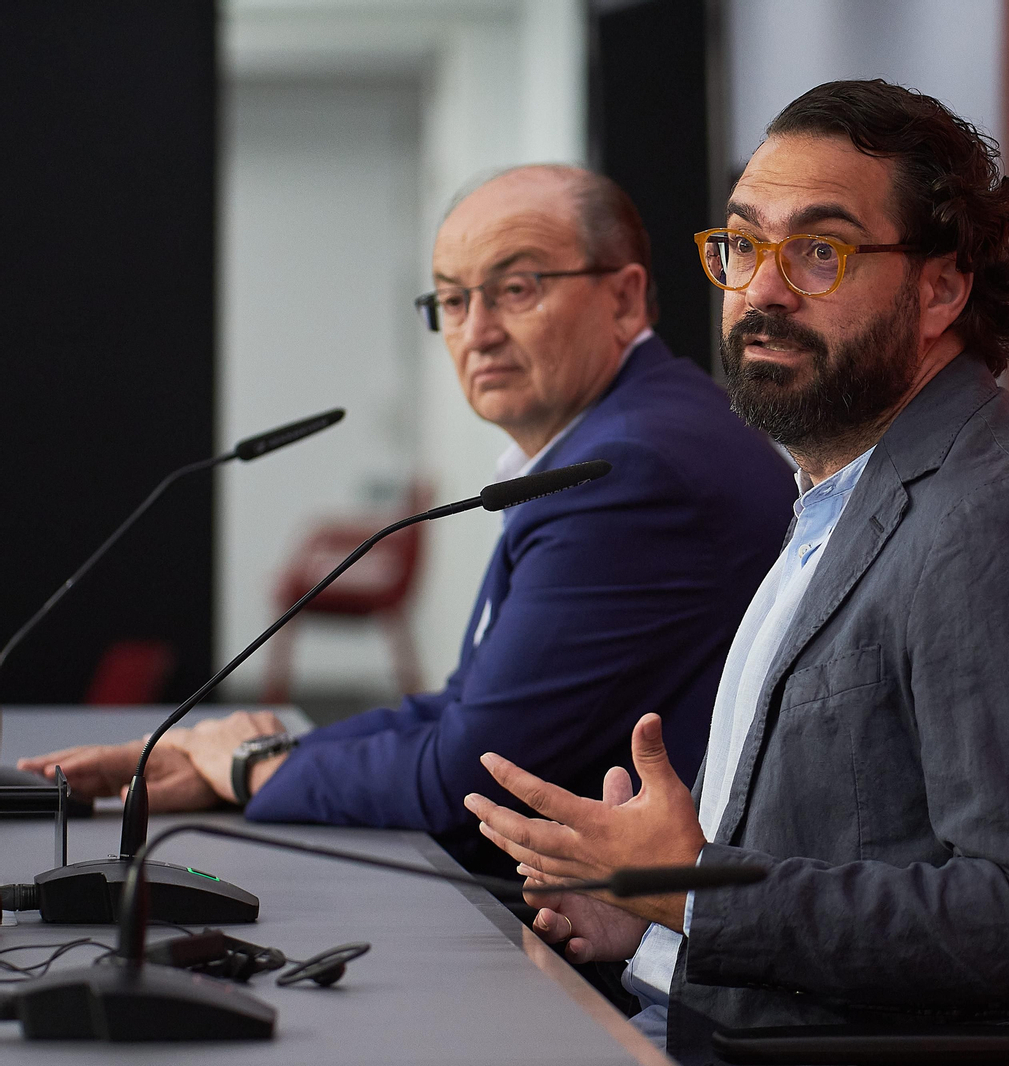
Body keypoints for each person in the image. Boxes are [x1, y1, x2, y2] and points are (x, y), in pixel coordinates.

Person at [462, 81, 1009, 1062]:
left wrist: (694, 891)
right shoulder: (841, 493)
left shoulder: (1000, 517)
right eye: (743, 245)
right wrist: (651, 914)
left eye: (819, 251)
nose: (763, 290)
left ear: (941, 288)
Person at [19, 165, 797, 874]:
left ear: (624, 298)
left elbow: (467, 777)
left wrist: (254, 766)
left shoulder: (626, 469)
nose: (476, 331)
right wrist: (230, 757)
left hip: (641, 955)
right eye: (453, 300)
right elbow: (466, 708)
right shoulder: (636, 431)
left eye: (516, 289)